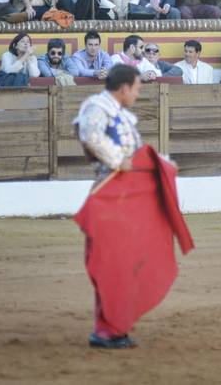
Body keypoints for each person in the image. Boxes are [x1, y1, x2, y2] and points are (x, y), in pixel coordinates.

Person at [73, 63, 145, 349]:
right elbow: (89, 135)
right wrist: (118, 160)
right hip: (108, 195)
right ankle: (106, 329)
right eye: (137, 88)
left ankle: (114, 325)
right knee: (110, 263)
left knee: (124, 263)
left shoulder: (122, 115)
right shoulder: (98, 106)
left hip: (123, 196)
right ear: (125, 88)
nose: (138, 94)